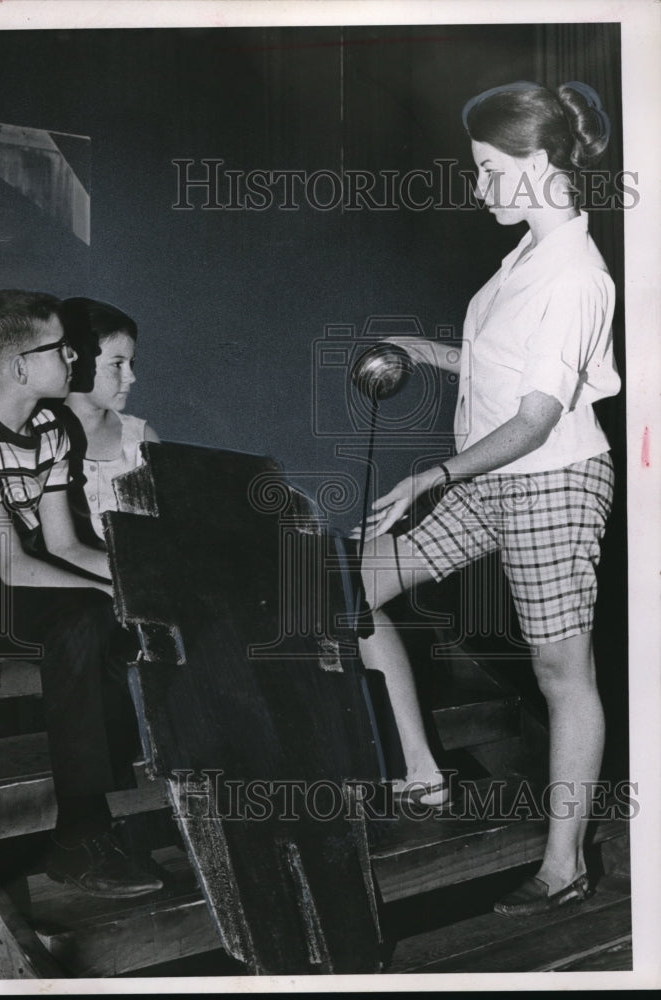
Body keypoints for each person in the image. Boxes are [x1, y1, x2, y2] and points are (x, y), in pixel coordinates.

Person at [355, 81, 620, 916]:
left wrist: (433, 475)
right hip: (490, 478)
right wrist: (424, 352)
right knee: (350, 590)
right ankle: (423, 773)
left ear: (536, 162)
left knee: (559, 671)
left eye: (486, 168)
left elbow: (537, 420)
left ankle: (562, 865)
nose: (476, 187)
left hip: (548, 480)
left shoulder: (575, 272)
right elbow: (507, 371)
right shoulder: (523, 259)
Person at [0, 289, 164, 898]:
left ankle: (97, 820)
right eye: (63, 349)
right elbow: (10, 566)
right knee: (87, 617)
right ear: (23, 367)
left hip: (26, 579)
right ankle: (79, 834)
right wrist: (110, 597)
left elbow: (66, 547)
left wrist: (143, 587)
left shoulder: (50, 429)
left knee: (111, 616)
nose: (75, 359)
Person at [58, 297, 159, 545]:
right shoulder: (37, 434)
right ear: (76, 361)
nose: (131, 377)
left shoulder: (142, 439)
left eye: (131, 363)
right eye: (117, 364)